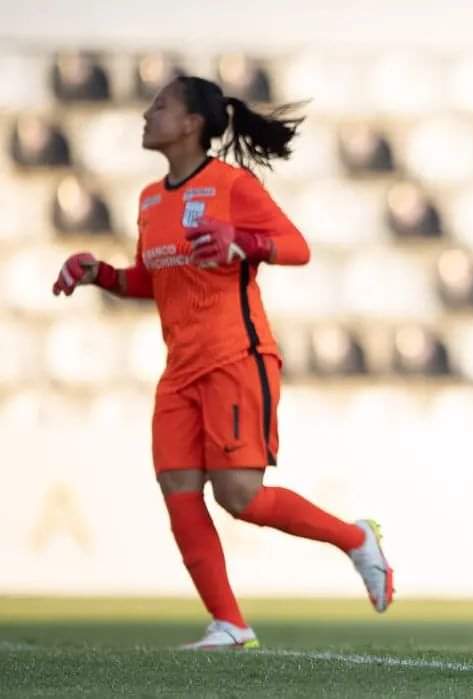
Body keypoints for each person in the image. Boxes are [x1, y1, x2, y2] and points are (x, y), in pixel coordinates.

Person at [51, 76, 393, 649]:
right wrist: (100, 275)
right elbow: (152, 280)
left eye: (160, 106)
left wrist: (244, 241)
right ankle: (230, 624)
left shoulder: (231, 185)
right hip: (179, 369)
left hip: (236, 357)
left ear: (191, 123)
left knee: (240, 496)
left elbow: (297, 247)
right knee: (177, 486)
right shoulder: (150, 199)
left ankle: (355, 539)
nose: (147, 114)